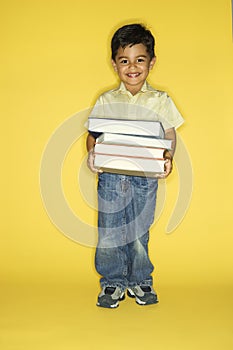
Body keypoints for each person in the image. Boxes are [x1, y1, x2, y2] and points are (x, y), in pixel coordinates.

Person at [86, 23, 184, 308]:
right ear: (115, 64)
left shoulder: (161, 101)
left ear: (151, 63)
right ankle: (113, 282)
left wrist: (168, 158)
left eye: (139, 60)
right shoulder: (106, 100)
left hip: (145, 177)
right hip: (111, 177)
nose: (132, 67)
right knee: (110, 231)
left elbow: (169, 133)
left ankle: (140, 280)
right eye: (124, 60)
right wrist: (93, 155)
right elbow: (93, 136)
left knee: (140, 231)